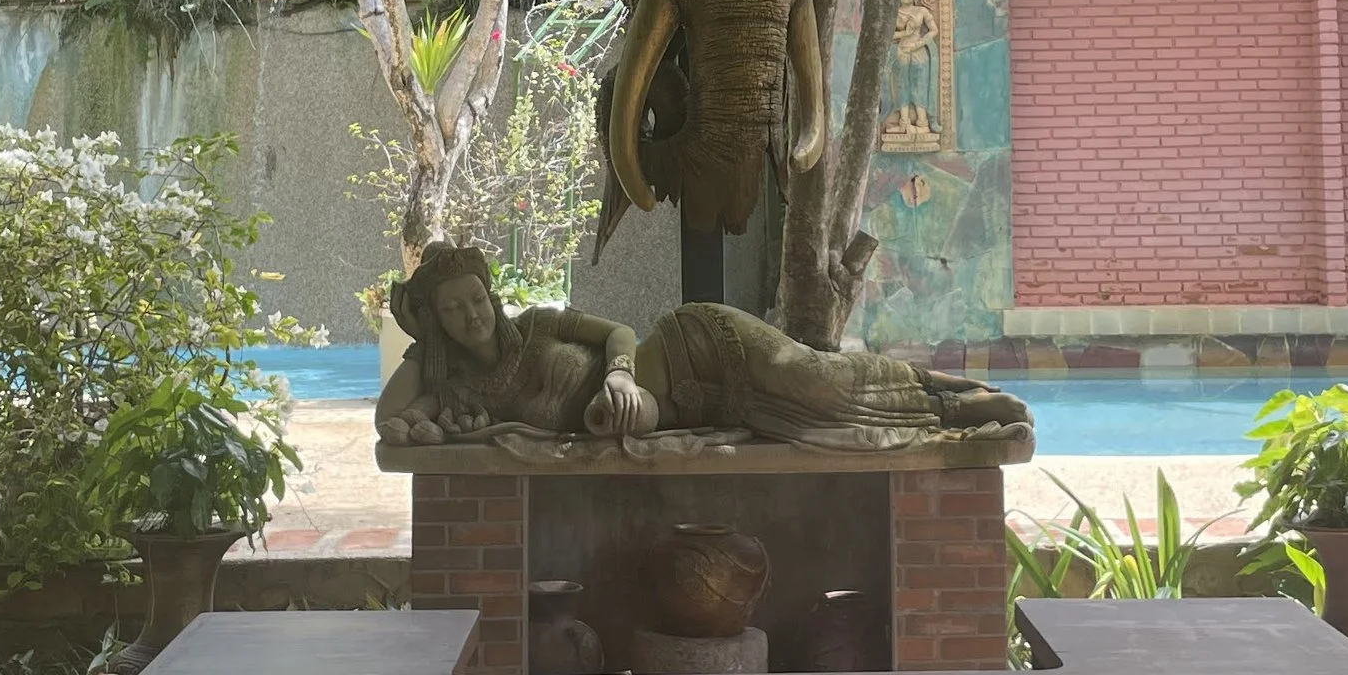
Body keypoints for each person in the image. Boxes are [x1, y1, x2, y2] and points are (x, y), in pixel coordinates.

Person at [375, 242, 1029, 451]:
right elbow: (389, 416)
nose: (472, 315)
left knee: (817, 379)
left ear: (492, 295)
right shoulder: (462, 393)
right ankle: (940, 422)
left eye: (476, 298)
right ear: (437, 321)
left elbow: (619, 333)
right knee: (830, 426)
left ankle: (943, 395)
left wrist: (623, 378)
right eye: (452, 309)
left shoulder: (542, 324)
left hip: (698, 350)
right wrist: (420, 342)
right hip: (701, 407)